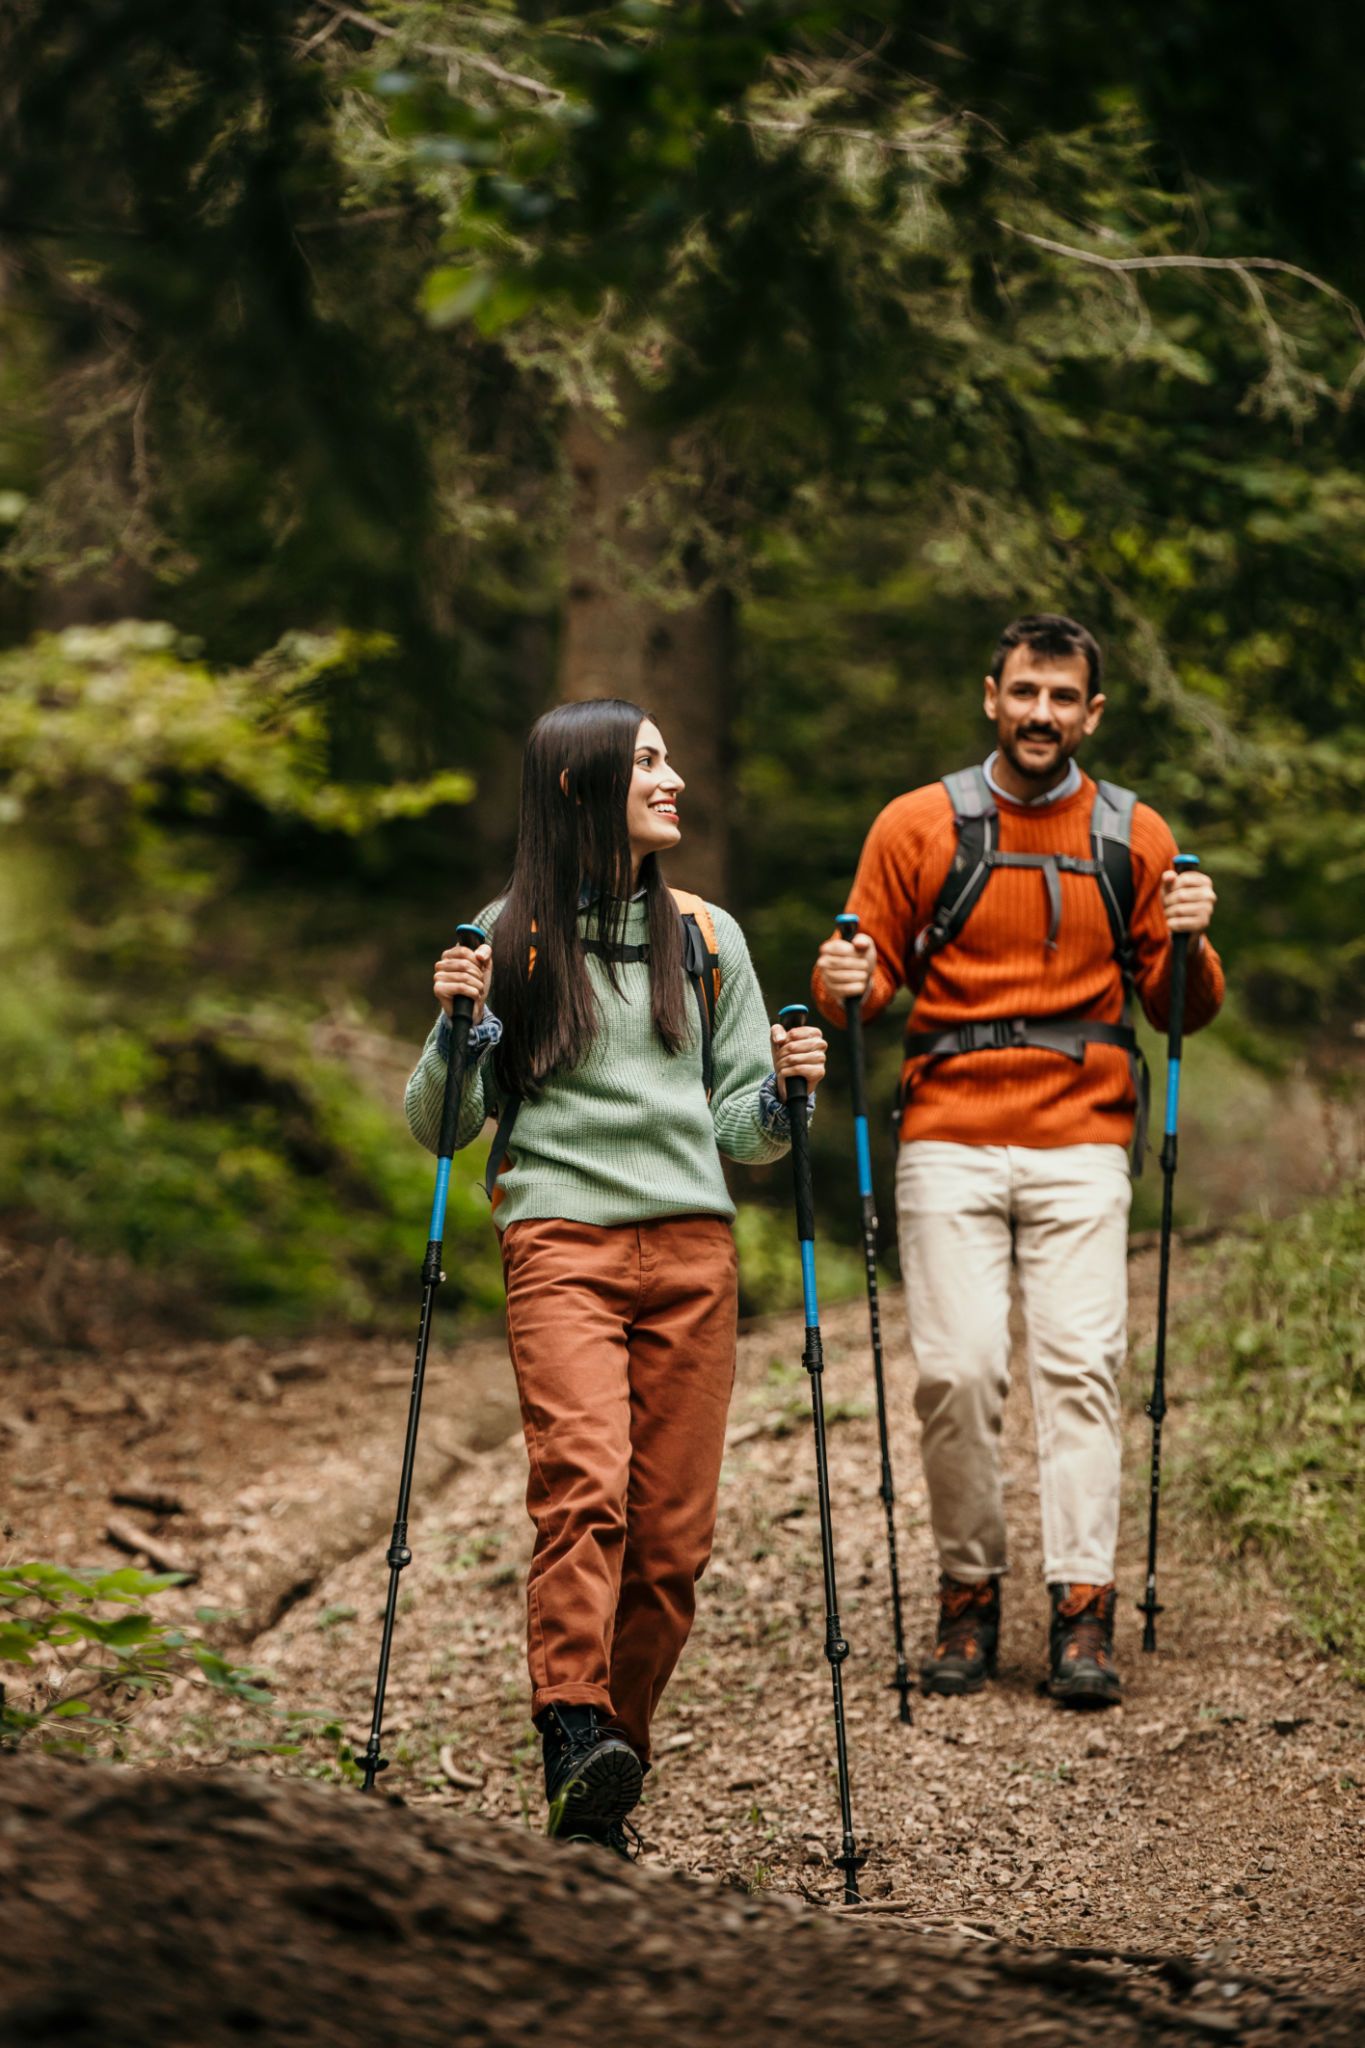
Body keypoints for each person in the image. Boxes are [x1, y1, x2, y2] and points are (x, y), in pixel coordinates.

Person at [405, 698, 826, 1850]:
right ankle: (571, 1725)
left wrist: (790, 1091)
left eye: (670, 756)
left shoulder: (709, 937)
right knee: (584, 1486)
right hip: (562, 1242)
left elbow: (745, 1131)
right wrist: (458, 1027)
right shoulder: (511, 935)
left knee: (675, 1540)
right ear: (585, 785)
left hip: (693, 1249)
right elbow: (441, 1128)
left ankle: (607, 1768)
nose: (673, 775)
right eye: (647, 761)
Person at [812, 614, 1223, 1708]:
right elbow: (863, 989)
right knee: (956, 1370)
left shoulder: (1134, 833)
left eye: (1063, 697)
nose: (1042, 713)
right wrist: (839, 977)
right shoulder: (916, 825)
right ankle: (969, 1589)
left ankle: (1082, 1605)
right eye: (1024, 691)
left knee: (1081, 1370)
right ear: (990, 695)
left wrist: (1190, 934)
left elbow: (1178, 1008)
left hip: (1084, 1134)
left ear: (1092, 713)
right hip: (945, 1127)